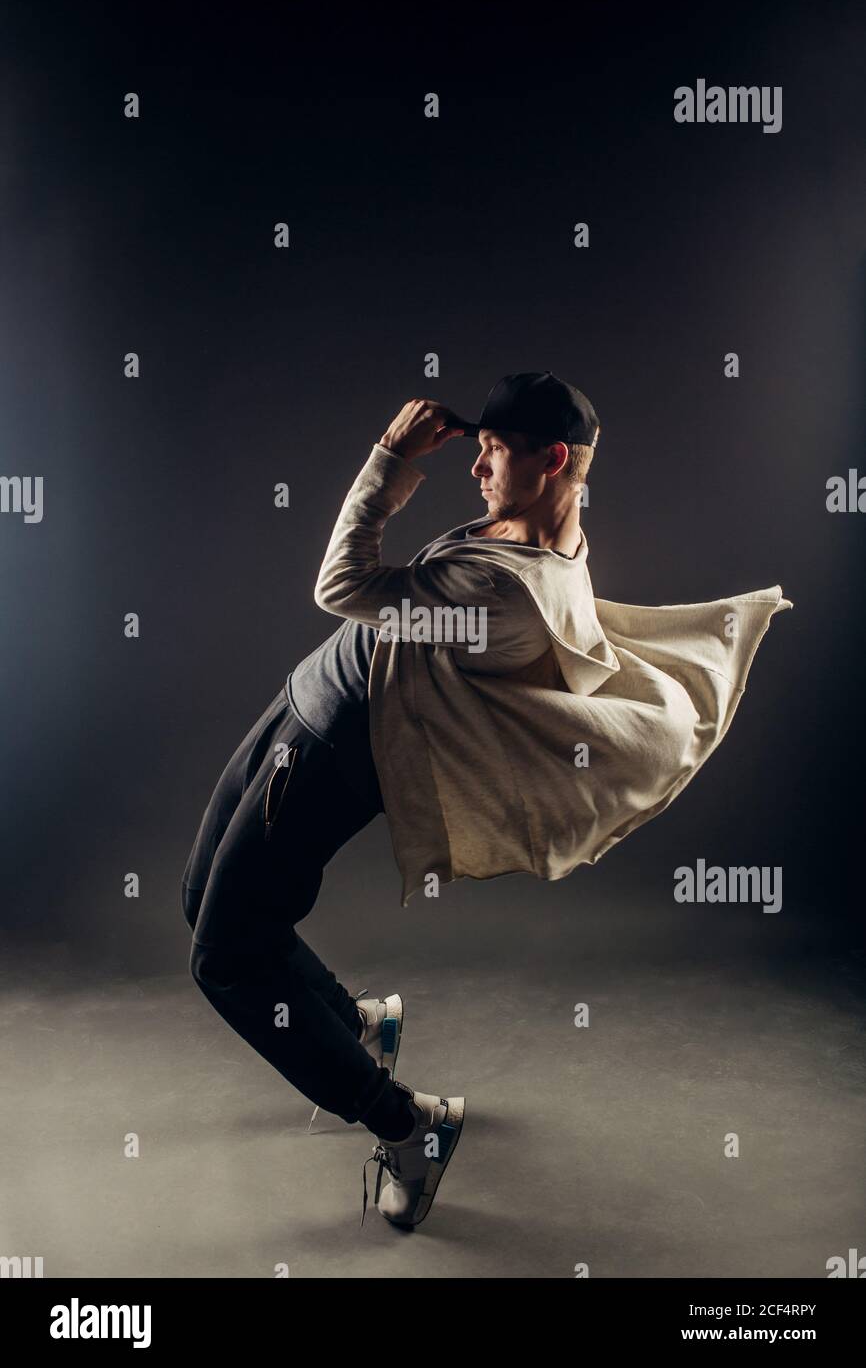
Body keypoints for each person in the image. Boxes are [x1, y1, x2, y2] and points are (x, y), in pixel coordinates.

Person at [181, 371, 792, 1230]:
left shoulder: (506, 594)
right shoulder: (548, 533)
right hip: (305, 702)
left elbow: (342, 588)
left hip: (323, 756)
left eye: (495, 453)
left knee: (226, 957)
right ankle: (356, 1028)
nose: (475, 469)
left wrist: (389, 463)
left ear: (553, 461)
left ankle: (409, 1126)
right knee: (201, 901)